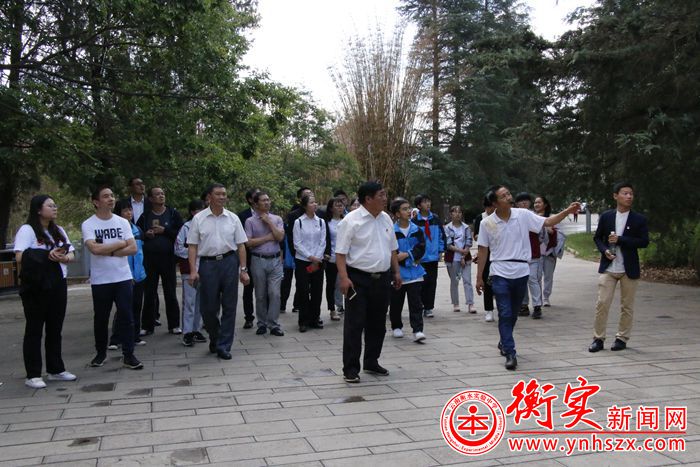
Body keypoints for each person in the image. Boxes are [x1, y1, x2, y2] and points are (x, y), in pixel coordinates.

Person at [476, 185, 579, 370]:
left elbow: (548, 221)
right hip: (499, 272)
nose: (509, 197)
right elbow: (483, 250)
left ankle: (504, 339)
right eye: (503, 196)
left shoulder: (523, 215)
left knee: (514, 313)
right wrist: (479, 277)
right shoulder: (487, 223)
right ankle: (510, 352)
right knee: (505, 312)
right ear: (495, 203)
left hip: (521, 271)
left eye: (508, 193)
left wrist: (567, 211)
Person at [336, 181, 402, 383]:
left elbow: (392, 249)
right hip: (358, 279)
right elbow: (340, 253)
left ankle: (371, 361)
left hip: (382, 278)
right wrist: (344, 278)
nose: (385, 199)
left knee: (378, 324)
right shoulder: (351, 220)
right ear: (368, 198)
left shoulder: (386, 219)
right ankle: (350, 368)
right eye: (381, 195)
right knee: (355, 324)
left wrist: (396, 272)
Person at [14, 195, 77, 389]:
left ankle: (55, 369)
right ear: (38, 209)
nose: (54, 208)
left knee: (55, 328)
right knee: (34, 329)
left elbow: (71, 252)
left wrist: (65, 258)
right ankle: (33, 374)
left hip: (58, 282)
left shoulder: (58, 230)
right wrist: (46, 254)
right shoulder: (28, 230)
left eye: (55, 205)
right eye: (50, 205)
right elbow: (19, 256)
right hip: (36, 286)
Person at [82, 186, 143, 370]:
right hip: (101, 279)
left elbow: (133, 248)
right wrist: (120, 243)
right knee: (101, 318)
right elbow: (94, 249)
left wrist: (108, 251)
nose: (111, 199)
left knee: (126, 315)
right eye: (105, 196)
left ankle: (129, 354)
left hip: (123, 277)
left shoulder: (122, 222)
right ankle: (100, 353)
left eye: (112, 195)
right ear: (96, 202)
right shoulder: (89, 224)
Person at [187, 183, 250, 360]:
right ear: (209, 197)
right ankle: (215, 337)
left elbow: (241, 245)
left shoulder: (233, 218)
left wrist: (243, 269)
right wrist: (193, 271)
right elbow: (192, 246)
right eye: (218, 194)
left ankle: (224, 345)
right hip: (207, 265)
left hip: (229, 262)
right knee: (208, 308)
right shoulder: (199, 219)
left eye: (224, 194)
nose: (222, 197)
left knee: (230, 306)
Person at [589, 182, 649, 353]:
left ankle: (622, 338)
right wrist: (605, 250)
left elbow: (644, 241)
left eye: (631, 194)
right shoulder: (607, 216)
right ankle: (598, 339)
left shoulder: (639, 219)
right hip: (609, 267)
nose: (629, 196)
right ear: (616, 196)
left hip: (628, 269)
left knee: (627, 306)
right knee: (602, 303)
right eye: (625, 193)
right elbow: (598, 238)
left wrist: (621, 240)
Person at [137, 186, 183, 335]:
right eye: (157, 194)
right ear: (150, 198)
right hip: (149, 259)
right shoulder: (145, 216)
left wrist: (165, 231)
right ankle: (147, 326)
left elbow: (181, 234)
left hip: (168, 258)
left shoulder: (173, 213)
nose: (161, 196)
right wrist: (147, 234)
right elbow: (137, 234)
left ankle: (174, 325)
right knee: (149, 293)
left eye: (162, 193)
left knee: (170, 292)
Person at [244, 191, 285, 336]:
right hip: (258, 260)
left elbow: (279, 237)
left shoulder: (277, 219)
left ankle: (273, 324)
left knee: (275, 293)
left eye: (268, 200)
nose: (267, 202)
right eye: (263, 200)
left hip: (275, 260)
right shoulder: (250, 221)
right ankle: (261, 323)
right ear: (255, 204)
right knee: (260, 294)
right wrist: (267, 238)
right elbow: (248, 242)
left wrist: (269, 222)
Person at [108, 199, 147, 349]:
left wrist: (141, 272)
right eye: (125, 210)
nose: (129, 213)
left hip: (139, 274)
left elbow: (141, 253)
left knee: (137, 306)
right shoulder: (117, 230)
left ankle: (134, 336)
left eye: (130, 210)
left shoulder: (137, 229)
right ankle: (116, 339)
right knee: (123, 308)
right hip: (124, 275)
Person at [388, 198, 426, 342]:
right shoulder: (392, 231)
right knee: (396, 302)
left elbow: (421, 248)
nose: (409, 211)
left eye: (409, 208)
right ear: (397, 214)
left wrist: (407, 254)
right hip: (398, 273)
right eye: (404, 209)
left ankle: (418, 330)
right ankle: (396, 326)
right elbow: (392, 252)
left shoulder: (417, 230)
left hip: (415, 272)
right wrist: (399, 258)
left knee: (416, 303)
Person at [174, 199, 208, 347]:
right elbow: (178, 248)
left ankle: (196, 329)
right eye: (198, 210)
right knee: (189, 302)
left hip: (206, 269)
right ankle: (187, 332)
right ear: (192, 212)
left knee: (201, 302)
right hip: (189, 270)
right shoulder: (186, 228)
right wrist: (194, 252)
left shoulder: (208, 226)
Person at [293, 194, 327, 332]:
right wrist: (310, 257)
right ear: (305, 205)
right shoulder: (299, 222)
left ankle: (315, 318)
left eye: (315, 202)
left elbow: (322, 241)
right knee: (303, 291)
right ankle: (303, 321)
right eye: (312, 202)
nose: (315, 204)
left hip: (318, 261)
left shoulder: (321, 222)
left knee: (317, 291)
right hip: (303, 262)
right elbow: (297, 243)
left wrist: (317, 258)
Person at [411, 194, 446, 318]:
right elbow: (413, 239)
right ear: (419, 205)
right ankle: (420, 305)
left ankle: (429, 307)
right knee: (421, 283)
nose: (428, 204)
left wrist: (440, 250)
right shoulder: (414, 221)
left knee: (432, 283)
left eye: (429, 201)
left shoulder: (435, 219)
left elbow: (441, 235)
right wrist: (415, 255)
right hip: (420, 258)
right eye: (425, 202)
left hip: (433, 257)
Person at [514, 192, 545, 319]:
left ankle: (537, 306)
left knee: (532, 279)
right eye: (521, 201)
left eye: (526, 200)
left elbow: (542, 234)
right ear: (517, 204)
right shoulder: (513, 217)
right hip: (518, 255)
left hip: (533, 254)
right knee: (522, 281)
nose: (524, 203)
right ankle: (523, 305)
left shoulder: (534, 216)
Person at [534, 195, 566, 307]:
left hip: (549, 252)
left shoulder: (553, 218)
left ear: (545, 205)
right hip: (536, 253)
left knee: (548, 276)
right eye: (535, 202)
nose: (536, 204)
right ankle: (538, 298)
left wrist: (552, 231)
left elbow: (561, 234)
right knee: (536, 277)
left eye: (539, 202)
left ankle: (546, 297)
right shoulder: (532, 217)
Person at [444, 206, 475, 313]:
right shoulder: (447, 228)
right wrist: (461, 251)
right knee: (455, 281)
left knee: (467, 280)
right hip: (453, 259)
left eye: (460, 212)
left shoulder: (466, 227)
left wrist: (464, 255)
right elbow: (448, 244)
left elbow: (469, 242)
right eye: (455, 212)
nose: (457, 214)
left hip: (465, 259)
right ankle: (456, 303)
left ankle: (470, 303)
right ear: (451, 214)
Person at [238, 188, 260, 329]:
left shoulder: (268, 215)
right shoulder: (242, 216)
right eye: (256, 195)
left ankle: (265, 317)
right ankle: (249, 317)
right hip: (249, 256)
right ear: (250, 200)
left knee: (265, 289)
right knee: (248, 288)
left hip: (265, 256)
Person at [472, 197, 495, 322]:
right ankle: (489, 310)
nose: (492, 209)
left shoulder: (499, 217)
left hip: (498, 252)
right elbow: (475, 236)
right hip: (485, 252)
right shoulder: (480, 218)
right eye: (490, 207)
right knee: (486, 281)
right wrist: (484, 235)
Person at [323, 197, 345, 321]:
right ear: (331, 208)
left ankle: (345, 307)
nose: (340, 207)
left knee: (346, 282)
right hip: (332, 257)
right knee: (331, 284)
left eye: (341, 205)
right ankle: (332, 309)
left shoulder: (346, 221)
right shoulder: (327, 222)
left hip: (346, 258)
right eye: (337, 205)